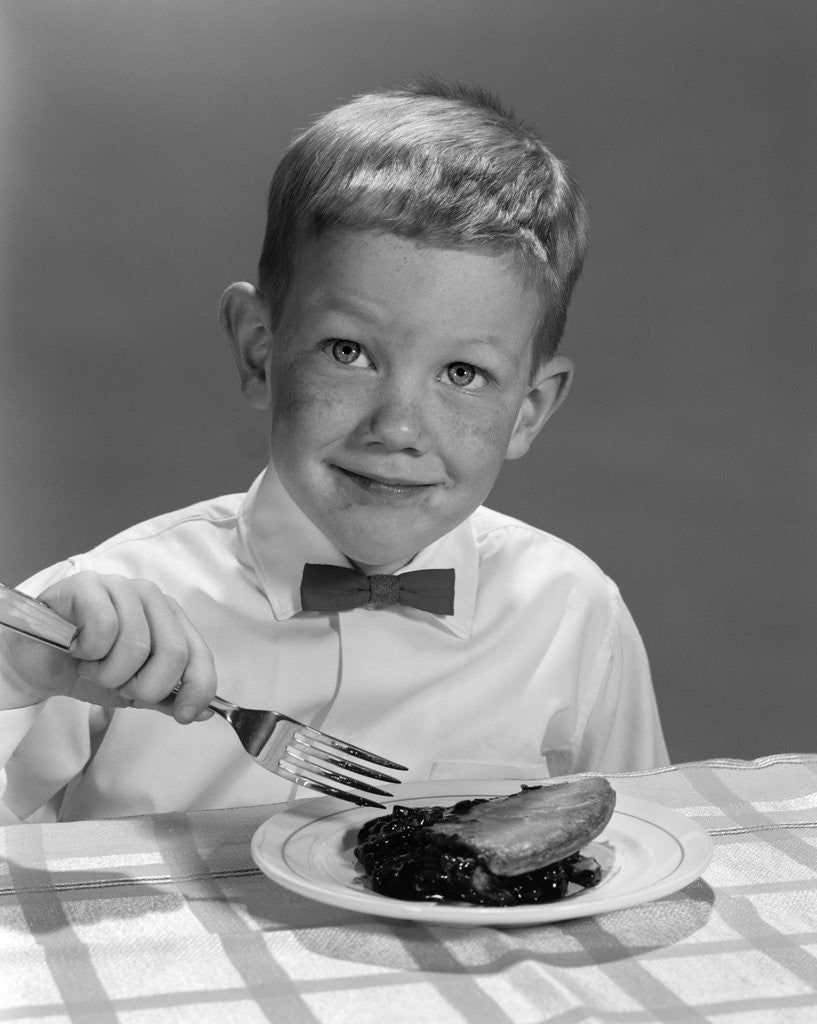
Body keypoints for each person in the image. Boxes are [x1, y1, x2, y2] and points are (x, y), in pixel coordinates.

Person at [0, 79, 668, 823]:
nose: (398, 427)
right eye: (348, 352)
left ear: (528, 410)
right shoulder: (93, 620)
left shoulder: (572, 612)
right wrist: (16, 679)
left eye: (462, 373)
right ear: (260, 351)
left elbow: (628, 841)